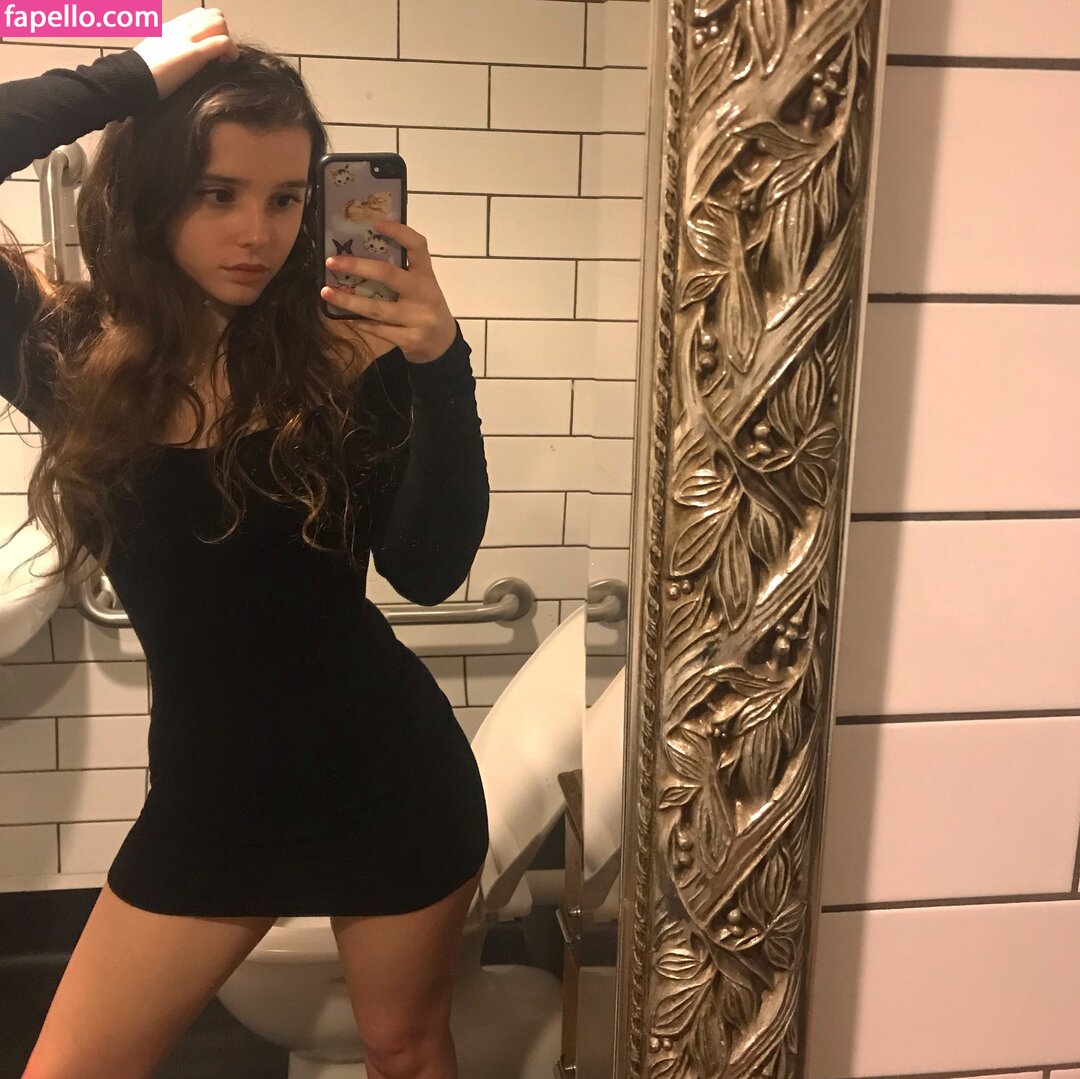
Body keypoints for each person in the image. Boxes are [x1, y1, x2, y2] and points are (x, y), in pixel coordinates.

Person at [0, 8, 490, 1078]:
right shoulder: (66, 352)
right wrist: (125, 78)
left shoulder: (345, 350)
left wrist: (439, 363)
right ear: (150, 190)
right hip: (210, 797)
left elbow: (428, 568)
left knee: (405, 1050)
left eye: (284, 198)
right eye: (216, 192)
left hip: (388, 771)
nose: (256, 233)